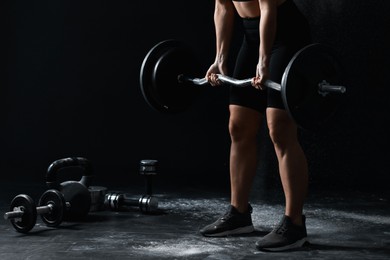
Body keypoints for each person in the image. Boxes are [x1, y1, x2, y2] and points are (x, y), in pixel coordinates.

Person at [199, 0, 312, 252]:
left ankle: (294, 224)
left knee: (279, 128)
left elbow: (268, 8)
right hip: (252, 36)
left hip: (285, 34)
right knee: (238, 125)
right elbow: (222, 7)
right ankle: (238, 214)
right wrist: (220, 58)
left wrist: (264, 61)